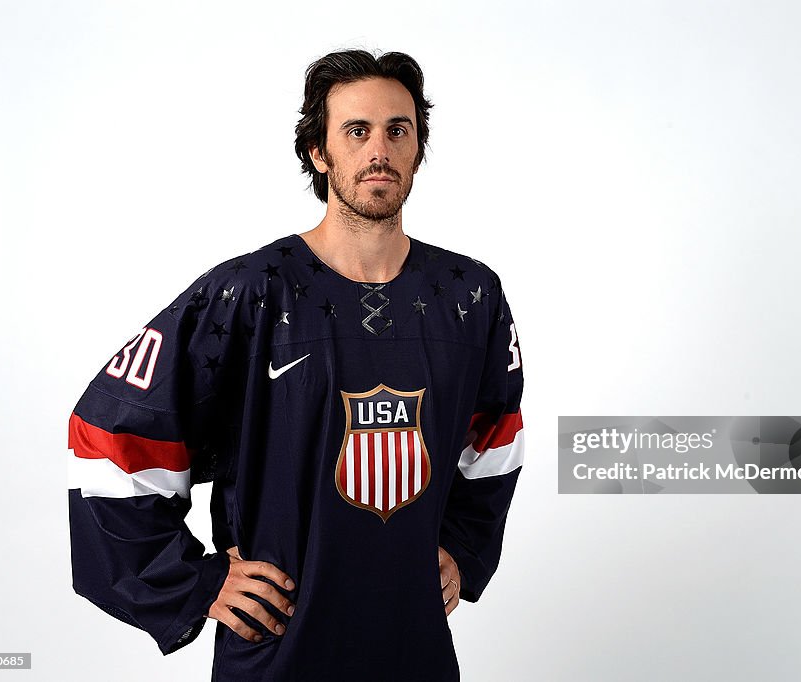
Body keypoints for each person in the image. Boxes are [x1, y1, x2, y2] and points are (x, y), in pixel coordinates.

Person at [67, 49, 525, 681]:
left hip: (412, 641)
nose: (379, 150)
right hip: (279, 649)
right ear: (319, 151)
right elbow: (114, 436)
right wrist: (193, 581)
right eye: (356, 131)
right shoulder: (249, 293)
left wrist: (464, 547)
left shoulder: (470, 295)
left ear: (419, 145)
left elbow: (497, 437)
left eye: (399, 129)